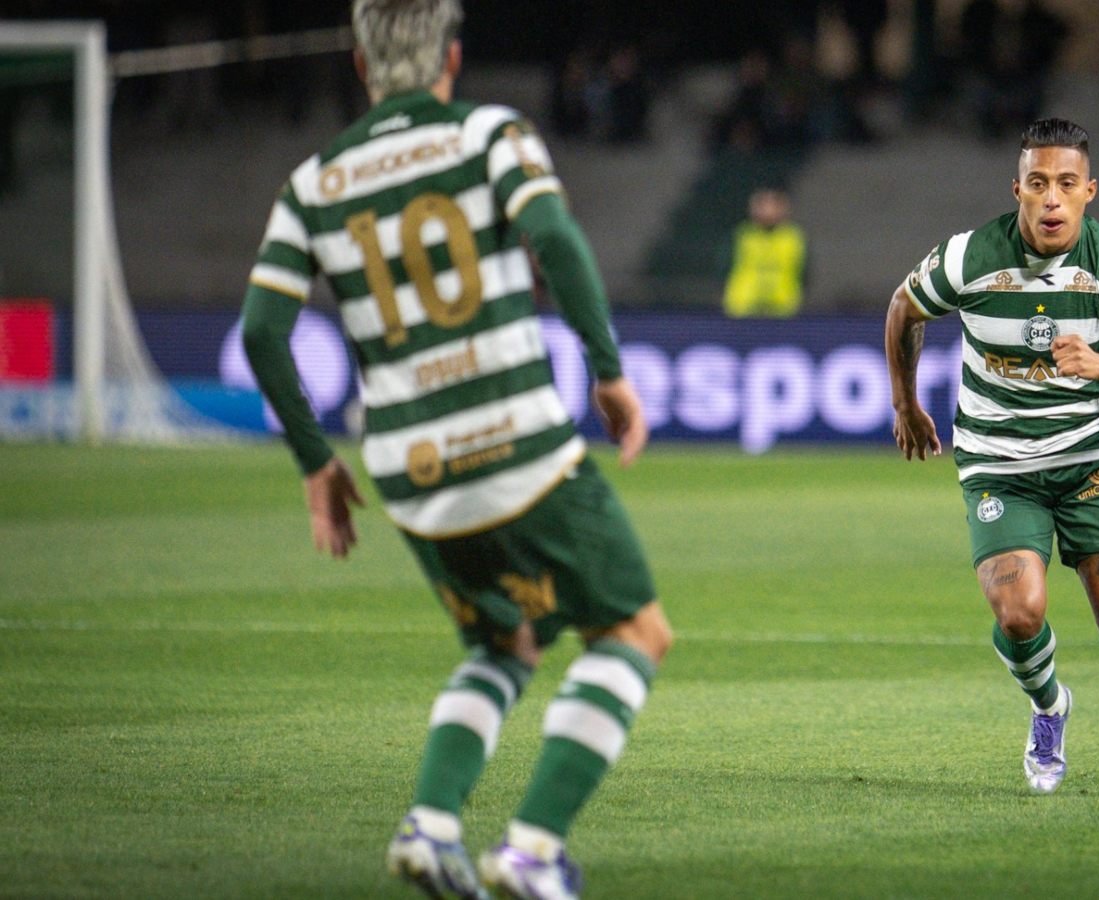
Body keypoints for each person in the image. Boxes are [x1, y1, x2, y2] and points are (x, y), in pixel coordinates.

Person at [239, 2, 672, 898]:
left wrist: (318, 463)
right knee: (634, 630)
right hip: (513, 437)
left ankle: (431, 827)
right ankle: (532, 849)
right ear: (454, 58)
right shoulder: (489, 131)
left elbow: (261, 330)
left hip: (407, 469)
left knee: (507, 641)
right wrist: (607, 372)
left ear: (361, 66)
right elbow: (553, 235)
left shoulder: (311, 183)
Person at [884, 117, 1099, 799]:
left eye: (1066, 185)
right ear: (1017, 189)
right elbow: (905, 308)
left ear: (1089, 192)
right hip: (998, 461)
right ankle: (1050, 706)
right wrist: (905, 404)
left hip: (1089, 460)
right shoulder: (969, 257)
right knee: (1019, 612)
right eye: (1038, 184)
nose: (1051, 199)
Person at [722, 187, 807, 317]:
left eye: (774, 206)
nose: (768, 211)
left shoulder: (793, 238)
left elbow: (804, 271)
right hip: (743, 307)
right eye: (763, 206)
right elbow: (723, 266)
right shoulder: (742, 235)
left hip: (783, 309)